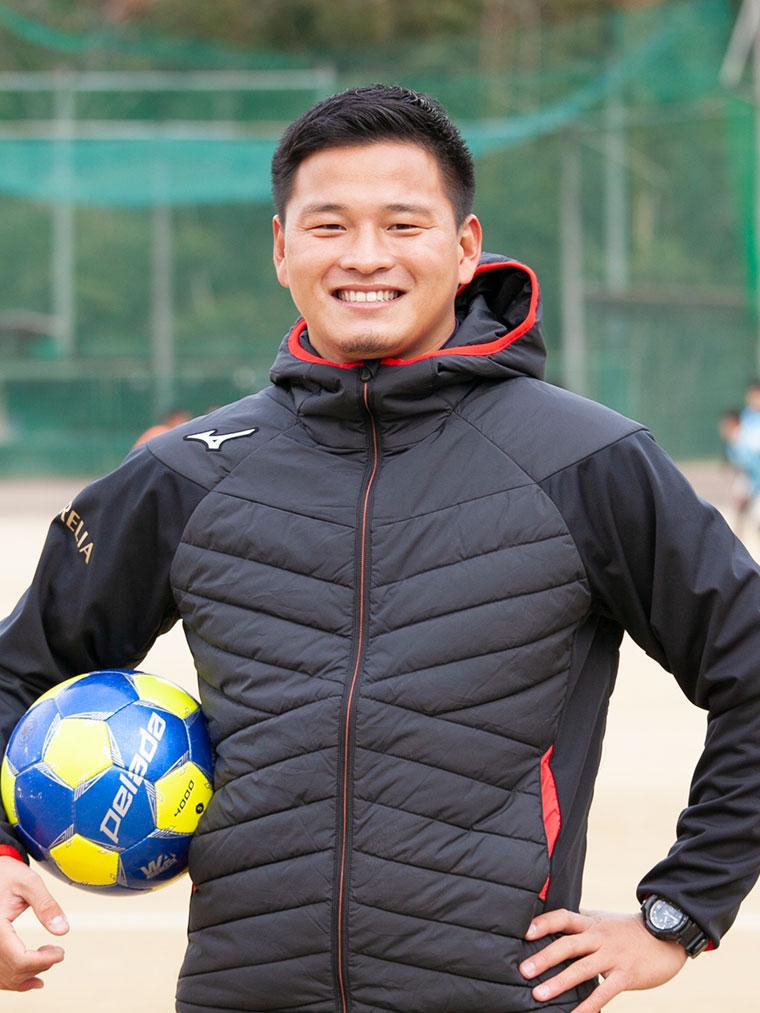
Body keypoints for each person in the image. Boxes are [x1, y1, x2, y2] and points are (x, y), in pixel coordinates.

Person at [1, 84, 760, 1013]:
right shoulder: (186, 473)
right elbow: (18, 670)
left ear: (466, 247)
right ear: (282, 248)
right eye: (329, 225)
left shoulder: (587, 461)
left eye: (403, 224)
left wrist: (680, 909)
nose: (366, 256)